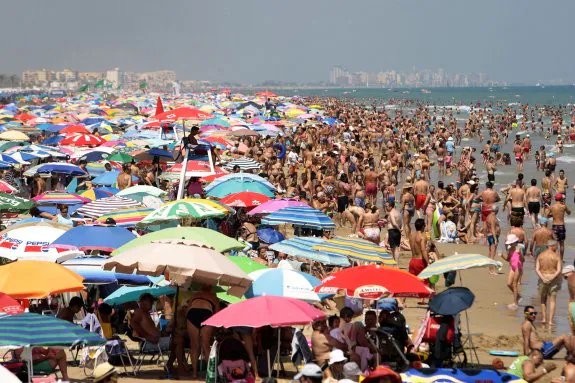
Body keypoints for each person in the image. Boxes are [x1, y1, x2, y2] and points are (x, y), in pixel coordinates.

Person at [187, 285, 219, 379]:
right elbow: (217, 315)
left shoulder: (194, 295)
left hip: (192, 313)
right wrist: (214, 330)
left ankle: (194, 373)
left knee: (194, 345)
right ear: (211, 288)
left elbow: (187, 310)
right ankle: (210, 373)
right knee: (205, 345)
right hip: (206, 313)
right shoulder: (214, 298)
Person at [535, 240, 562, 326]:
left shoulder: (540, 255)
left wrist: (543, 278)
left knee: (543, 299)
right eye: (556, 246)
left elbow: (537, 269)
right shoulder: (556, 256)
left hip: (543, 278)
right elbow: (558, 270)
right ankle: (550, 321)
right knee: (552, 300)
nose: (557, 247)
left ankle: (543, 318)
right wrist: (552, 278)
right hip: (553, 278)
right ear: (552, 246)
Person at [502, 234, 523, 310]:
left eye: (511, 243)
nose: (510, 244)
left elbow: (523, 260)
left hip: (518, 267)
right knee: (508, 284)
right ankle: (518, 296)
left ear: (515, 242)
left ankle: (515, 303)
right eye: (509, 243)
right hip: (512, 267)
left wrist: (520, 254)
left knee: (514, 284)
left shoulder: (519, 248)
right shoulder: (510, 249)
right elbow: (508, 259)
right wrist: (501, 255)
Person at [548, 193, 571, 259]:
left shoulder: (552, 206)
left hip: (554, 226)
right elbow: (569, 213)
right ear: (561, 199)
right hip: (561, 226)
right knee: (562, 244)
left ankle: (555, 258)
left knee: (554, 243)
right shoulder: (563, 206)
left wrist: (553, 215)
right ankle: (561, 259)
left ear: (555, 199)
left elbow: (547, 215)